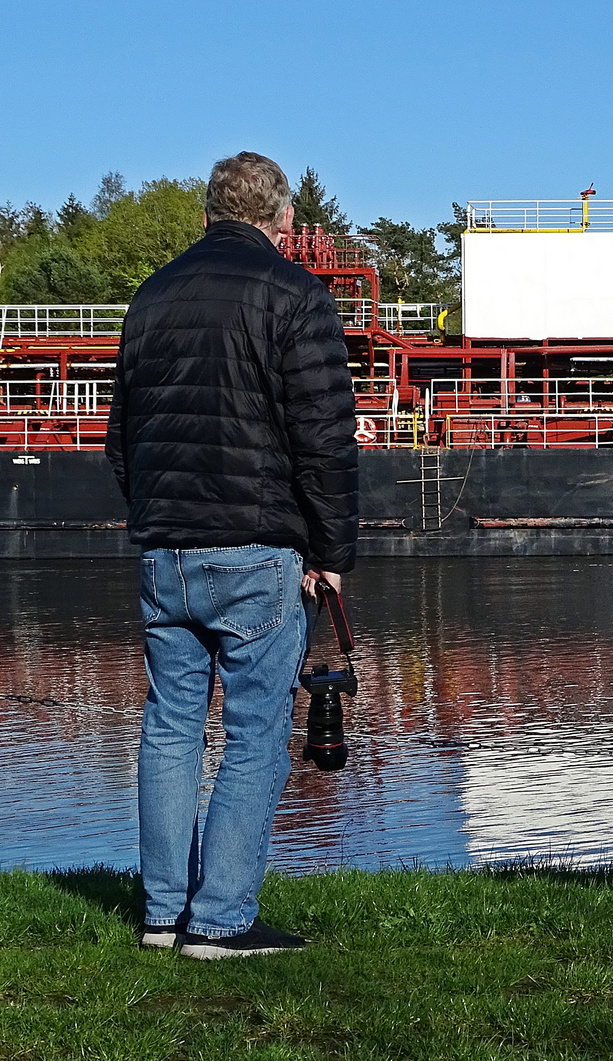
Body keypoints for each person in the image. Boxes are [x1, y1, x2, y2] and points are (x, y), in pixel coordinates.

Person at [105, 151, 358, 959]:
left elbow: (121, 443)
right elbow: (323, 441)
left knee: (170, 728)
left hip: (163, 552)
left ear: (207, 214)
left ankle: (160, 915)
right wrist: (329, 549)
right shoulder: (295, 294)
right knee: (252, 734)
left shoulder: (149, 299)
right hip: (255, 552)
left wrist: (156, 518)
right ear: (283, 220)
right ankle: (219, 922)